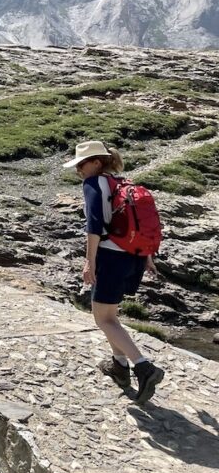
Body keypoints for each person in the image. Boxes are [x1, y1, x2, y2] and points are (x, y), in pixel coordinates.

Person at [63, 139, 165, 404]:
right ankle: (119, 366)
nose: (80, 171)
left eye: (82, 165)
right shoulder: (122, 183)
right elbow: (137, 224)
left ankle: (144, 367)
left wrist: (90, 262)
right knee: (111, 315)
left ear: (96, 162)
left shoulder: (94, 183)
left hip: (111, 257)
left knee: (104, 319)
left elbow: (94, 225)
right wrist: (148, 257)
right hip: (134, 258)